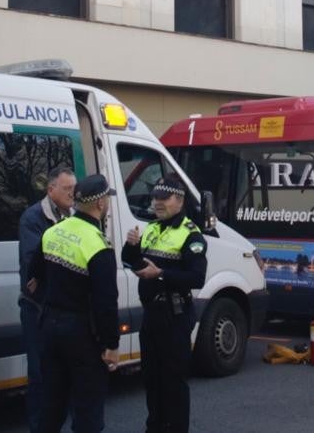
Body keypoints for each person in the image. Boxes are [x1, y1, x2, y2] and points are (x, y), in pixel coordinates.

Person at [122, 174, 208, 433]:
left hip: (175, 315)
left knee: (173, 381)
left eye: (164, 198)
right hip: (152, 315)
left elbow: (197, 278)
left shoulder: (191, 235)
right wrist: (131, 247)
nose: (157, 203)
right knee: (151, 378)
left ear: (179, 201)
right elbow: (131, 262)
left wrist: (160, 274)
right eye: (155, 197)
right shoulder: (151, 228)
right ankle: (155, 427)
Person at [35, 174, 120, 433]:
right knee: (87, 409)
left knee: (51, 403)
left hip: (49, 326)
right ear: (101, 203)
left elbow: (35, 274)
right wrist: (111, 344)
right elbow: (106, 302)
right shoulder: (98, 245)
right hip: (81, 334)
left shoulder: (53, 231)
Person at [17, 167, 76, 432]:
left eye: (74, 189)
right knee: (40, 374)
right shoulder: (33, 218)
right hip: (37, 308)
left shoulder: (73, 217)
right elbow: (35, 267)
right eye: (67, 189)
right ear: (51, 190)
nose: (72, 194)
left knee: (64, 374)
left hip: (63, 308)